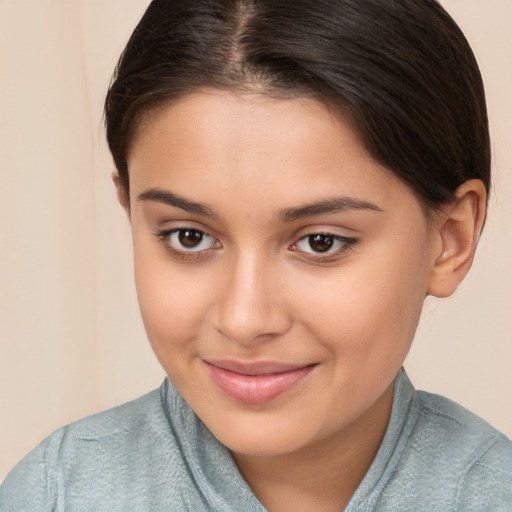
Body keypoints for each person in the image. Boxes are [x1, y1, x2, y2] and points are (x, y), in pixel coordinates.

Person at [1, 0, 511, 510]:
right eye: (189, 237)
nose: (244, 320)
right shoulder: (56, 494)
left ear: (451, 238)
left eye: (321, 242)